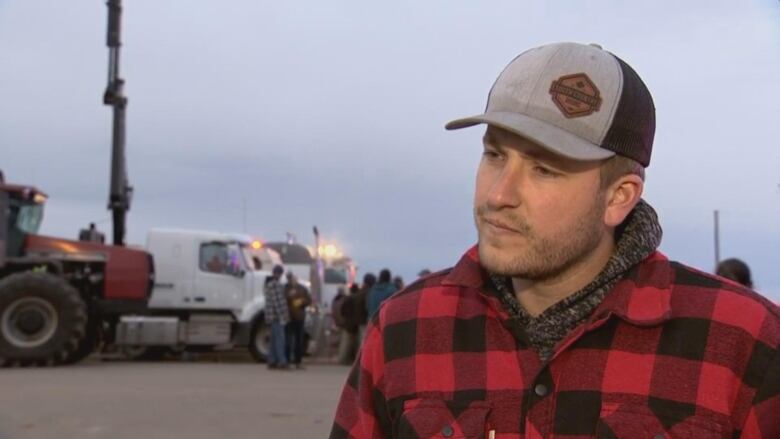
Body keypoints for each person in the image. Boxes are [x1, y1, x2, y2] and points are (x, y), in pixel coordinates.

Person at [330, 42, 780, 438]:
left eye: (544, 169)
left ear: (618, 197)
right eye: (493, 154)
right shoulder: (404, 329)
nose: (499, 195)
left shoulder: (744, 343)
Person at [263, 265, 290, 370]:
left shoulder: (268, 284)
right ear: (279, 273)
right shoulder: (276, 285)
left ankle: (272, 360)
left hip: (270, 316)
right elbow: (278, 303)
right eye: (280, 273)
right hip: (277, 317)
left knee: (273, 340)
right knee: (280, 340)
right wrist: (284, 316)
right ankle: (281, 361)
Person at [285, 272, 311, 369]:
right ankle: (287, 361)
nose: (292, 280)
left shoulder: (302, 289)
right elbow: (283, 299)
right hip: (288, 317)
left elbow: (309, 300)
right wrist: (289, 296)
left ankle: (298, 362)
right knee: (288, 340)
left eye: (294, 279)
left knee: (298, 340)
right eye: (291, 279)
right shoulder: (286, 288)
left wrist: (302, 301)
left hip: (299, 317)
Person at [336, 284, 361, 365]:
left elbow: (342, 310)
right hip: (356, 323)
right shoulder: (358, 298)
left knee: (346, 343)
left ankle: (342, 359)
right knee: (357, 343)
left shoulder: (347, 299)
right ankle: (356, 360)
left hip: (348, 323)